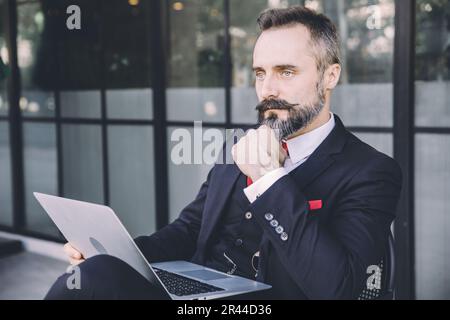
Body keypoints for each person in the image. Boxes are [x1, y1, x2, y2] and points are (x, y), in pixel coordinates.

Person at [46, 6, 402, 300]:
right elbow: (188, 230)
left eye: (286, 71)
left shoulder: (371, 171)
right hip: (193, 298)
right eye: (260, 73)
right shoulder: (239, 148)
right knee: (94, 275)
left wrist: (269, 179)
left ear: (330, 76)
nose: (268, 89)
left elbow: (337, 288)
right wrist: (122, 254)